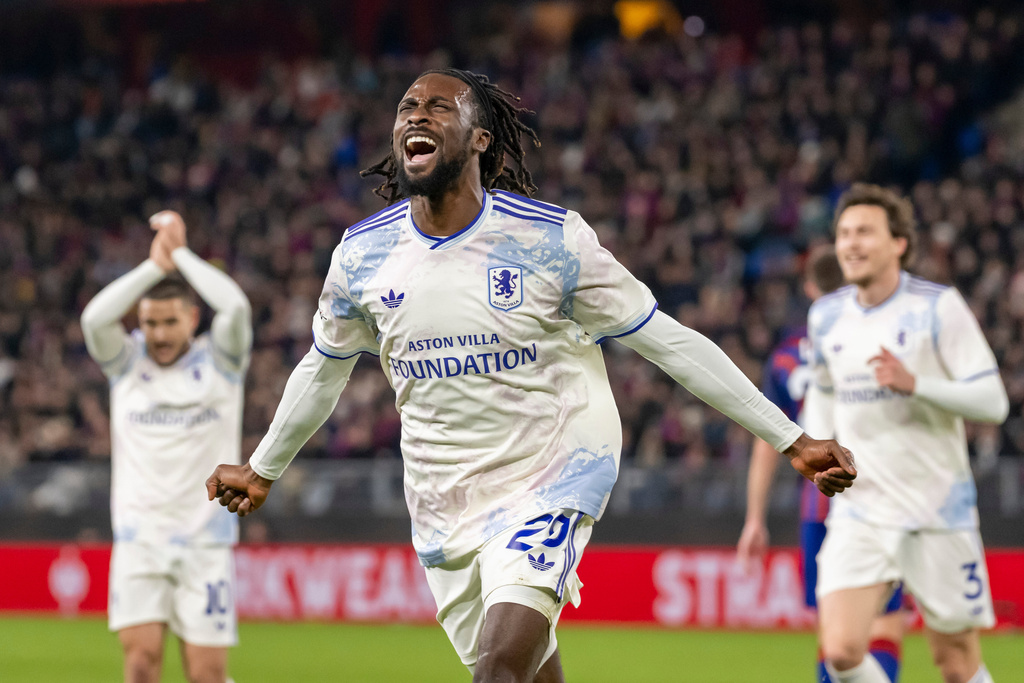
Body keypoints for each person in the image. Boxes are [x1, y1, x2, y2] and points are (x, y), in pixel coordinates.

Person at [205, 69, 856, 683]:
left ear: (479, 140)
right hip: (442, 497)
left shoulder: (552, 242)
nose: (416, 116)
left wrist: (791, 438)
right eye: (407, 107)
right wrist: (261, 467)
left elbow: (669, 342)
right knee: (524, 669)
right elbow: (324, 368)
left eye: (438, 107)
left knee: (498, 670)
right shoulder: (362, 255)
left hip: (553, 473)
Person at [806, 183, 1008, 683]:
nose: (851, 243)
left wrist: (915, 383)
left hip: (935, 508)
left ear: (898, 242)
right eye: (844, 233)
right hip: (862, 507)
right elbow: (824, 392)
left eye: (865, 232)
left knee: (956, 665)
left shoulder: (938, 307)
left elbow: (993, 402)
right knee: (841, 651)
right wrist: (816, 447)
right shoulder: (825, 316)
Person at [81, 211, 252, 683]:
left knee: (207, 675)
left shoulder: (221, 362)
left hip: (206, 542)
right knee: (139, 667)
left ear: (193, 318)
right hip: (139, 540)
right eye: (149, 323)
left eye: (168, 322)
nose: (156, 334)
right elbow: (94, 318)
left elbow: (236, 308)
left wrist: (179, 255)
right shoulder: (126, 364)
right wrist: (154, 267)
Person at [737, 246, 905, 683]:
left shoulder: (786, 355)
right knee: (883, 624)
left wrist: (755, 517)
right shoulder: (883, 339)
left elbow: (766, 441)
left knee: (832, 634)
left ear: (810, 287)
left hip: (820, 504)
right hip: (883, 494)